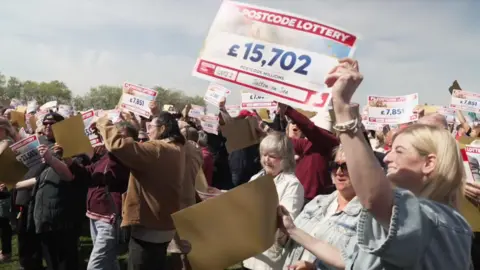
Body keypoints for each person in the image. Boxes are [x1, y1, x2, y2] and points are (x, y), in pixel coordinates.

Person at [278, 58, 472, 269]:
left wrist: (342, 107)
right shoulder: (411, 219)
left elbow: (373, 198)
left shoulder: (432, 219)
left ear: (429, 163)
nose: (387, 158)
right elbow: (351, 259)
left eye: (399, 151)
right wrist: (293, 230)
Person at [95, 108, 187, 270]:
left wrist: (104, 122)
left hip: (149, 224)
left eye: (151, 126)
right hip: (163, 223)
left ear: (163, 129)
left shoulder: (158, 149)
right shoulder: (177, 147)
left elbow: (119, 146)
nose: (147, 130)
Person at [282, 145, 361, 270]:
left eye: (346, 166)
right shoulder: (318, 202)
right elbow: (289, 240)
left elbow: (357, 264)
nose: (339, 172)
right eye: (335, 166)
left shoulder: (366, 217)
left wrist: (314, 268)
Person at [241, 132, 304, 270]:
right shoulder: (257, 177)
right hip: (250, 251)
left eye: (272, 156)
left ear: (285, 159)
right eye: (264, 154)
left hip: (270, 256)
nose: (266, 160)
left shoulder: (292, 184)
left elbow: (287, 222)